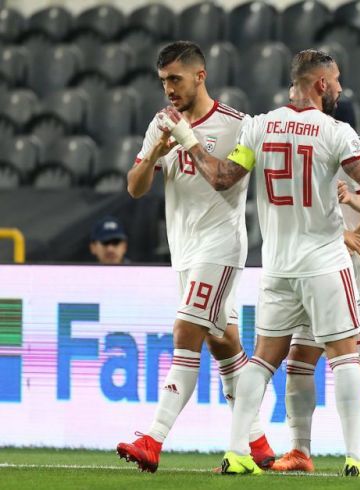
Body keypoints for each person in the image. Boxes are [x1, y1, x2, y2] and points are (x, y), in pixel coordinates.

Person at [157, 48, 360, 477]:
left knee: (263, 360)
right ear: (321, 84)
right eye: (338, 80)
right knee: (346, 357)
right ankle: (354, 458)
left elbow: (220, 178)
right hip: (325, 262)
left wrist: (188, 140)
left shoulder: (258, 127)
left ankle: (236, 453)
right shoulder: (334, 131)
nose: (342, 88)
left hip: (276, 265)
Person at [117, 41, 273, 473]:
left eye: (175, 79)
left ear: (200, 76)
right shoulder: (161, 123)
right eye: (163, 80)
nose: (169, 88)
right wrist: (154, 155)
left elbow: (226, 182)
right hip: (183, 250)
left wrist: (186, 140)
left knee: (186, 329)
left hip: (220, 247)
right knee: (223, 344)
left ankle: (153, 437)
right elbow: (135, 187)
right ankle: (257, 441)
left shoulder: (238, 126)